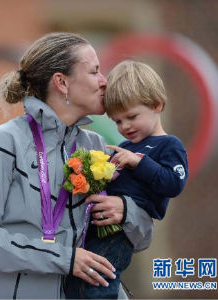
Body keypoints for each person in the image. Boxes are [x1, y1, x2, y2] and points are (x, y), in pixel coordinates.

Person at [0, 33, 154, 299]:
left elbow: (142, 238)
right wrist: (65, 258)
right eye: (94, 71)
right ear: (62, 82)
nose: (104, 81)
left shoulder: (99, 146)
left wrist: (126, 211)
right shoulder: (4, 144)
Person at [70, 60, 189, 298]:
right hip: (98, 227)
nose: (125, 126)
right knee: (79, 283)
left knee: (98, 286)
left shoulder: (169, 145)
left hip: (120, 234)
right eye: (117, 121)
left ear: (157, 105)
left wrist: (139, 162)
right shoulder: (125, 146)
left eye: (132, 116)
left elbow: (173, 184)